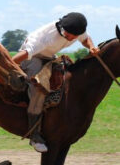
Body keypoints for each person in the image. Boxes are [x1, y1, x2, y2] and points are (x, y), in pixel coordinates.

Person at [12, 12, 100, 153]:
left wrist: (91, 47)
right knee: (38, 90)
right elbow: (25, 54)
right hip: (31, 57)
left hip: (50, 56)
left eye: (75, 36)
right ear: (62, 28)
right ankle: (34, 136)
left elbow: (85, 39)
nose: (72, 38)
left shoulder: (76, 30)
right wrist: (7, 64)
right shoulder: (44, 37)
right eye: (69, 34)